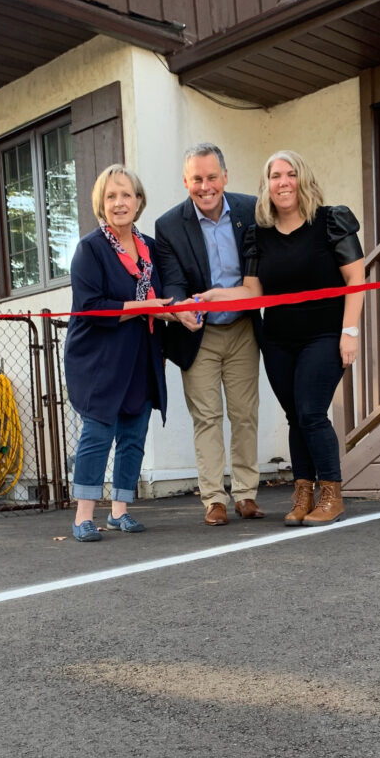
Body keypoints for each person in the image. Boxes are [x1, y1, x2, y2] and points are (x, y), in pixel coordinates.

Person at [198, 150, 364, 526]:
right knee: (294, 417)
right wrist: (214, 296)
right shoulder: (260, 235)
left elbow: (357, 279)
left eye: (290, 174)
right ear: (266, 185)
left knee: (310, 411)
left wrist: (349, 332)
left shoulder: (329, 221)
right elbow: (253, 292)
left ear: (302, 180)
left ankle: (331, 494)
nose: (283, 182)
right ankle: (303, 493)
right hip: (279, 341)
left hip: (324, 335)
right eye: (275, 176)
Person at [65, 164, 177, 543]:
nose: (119, 202)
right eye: (111, 196)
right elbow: (93, 307)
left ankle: (120, 511)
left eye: (126, 194)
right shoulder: (90, 249)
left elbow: (161, 300)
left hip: (142, 353)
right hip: (99, 358)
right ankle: (83, 516)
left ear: (139, 200)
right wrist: (146, 306)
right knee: (98, 432)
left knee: (134, 432)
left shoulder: (150, 248)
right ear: (101, 203)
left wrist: (179, 315)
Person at [154, 143, 264, 526]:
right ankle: (214, 499)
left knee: (245, 414)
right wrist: (182, 310)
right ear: (186, 182)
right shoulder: (168, 226)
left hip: (243, 328)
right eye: (197, 179)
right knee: (207, 417)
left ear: (225, 177)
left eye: (212, 177)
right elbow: (173, 279)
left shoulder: (251, 209)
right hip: (198, 333)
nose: (205, 186)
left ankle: (247, 494)